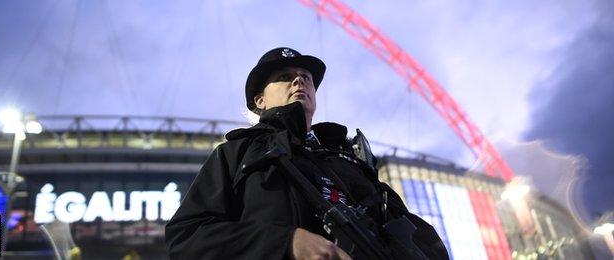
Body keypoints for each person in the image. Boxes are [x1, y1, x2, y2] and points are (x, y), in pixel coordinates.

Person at [165, 47, 448, 259]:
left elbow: (417, 239)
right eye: (285, 77)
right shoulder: (236, 154)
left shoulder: (351, 160)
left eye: (305, 78)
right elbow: (187, 236)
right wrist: (286, 242)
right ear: (260, 101)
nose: (299, 81)